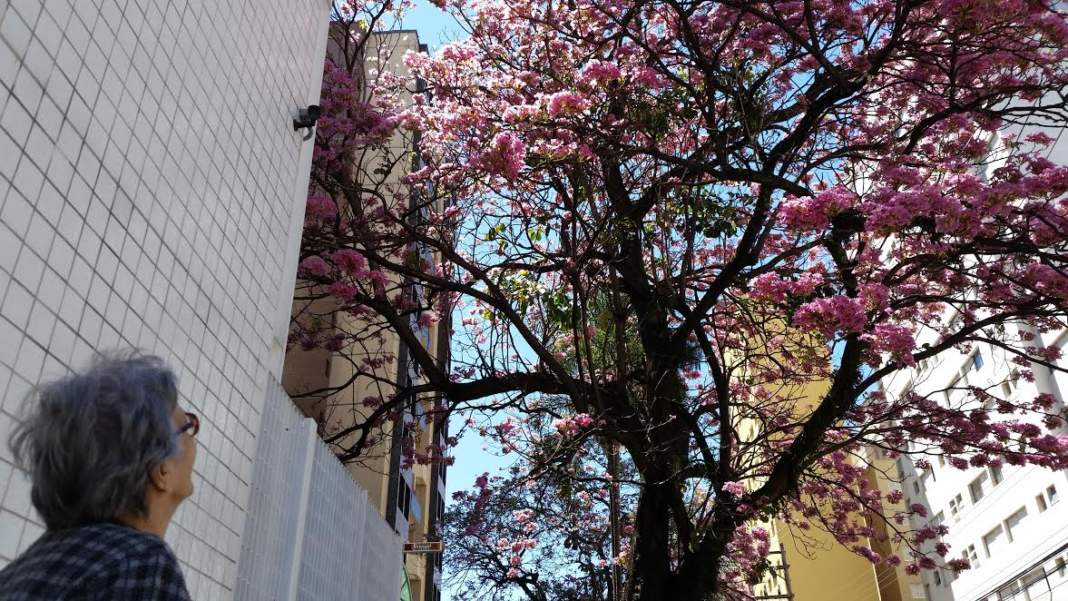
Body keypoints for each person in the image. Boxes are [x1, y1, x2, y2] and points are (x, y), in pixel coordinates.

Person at [0, 353, 197, 600]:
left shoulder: (20, 572)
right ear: (161, 470)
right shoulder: (139, 563)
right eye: (188, 427)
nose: (193, 440)